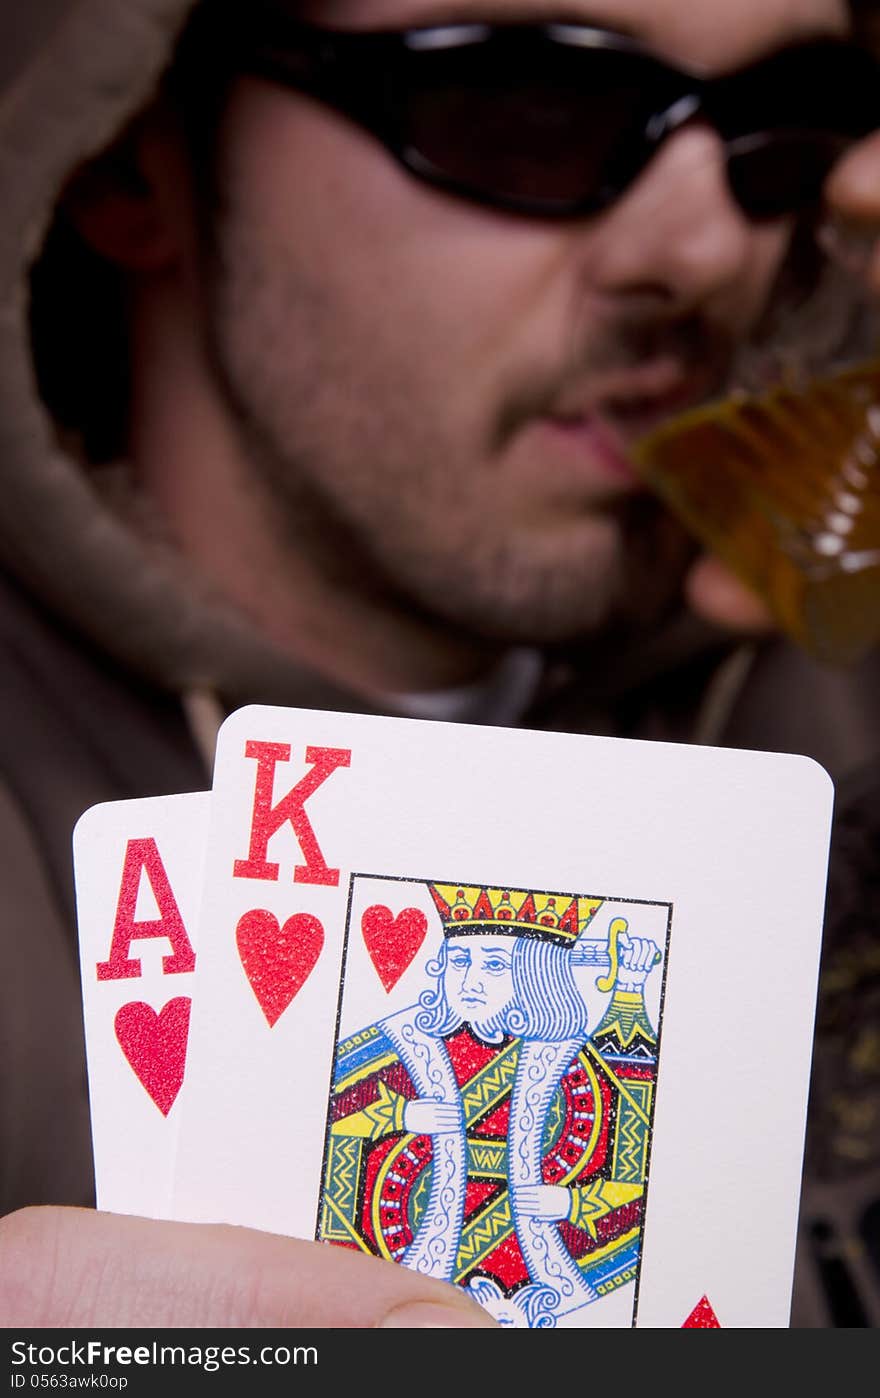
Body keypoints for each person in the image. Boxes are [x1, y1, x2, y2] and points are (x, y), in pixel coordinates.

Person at [2, 0, 880, 1328]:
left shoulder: (842, 664)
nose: (707, 248)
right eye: (534, 107)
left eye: (780, 127)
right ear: (131, 160)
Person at [320, 884, 661, 1328]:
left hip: (547, 1284)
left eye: (495, 964)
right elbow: (320, 1127)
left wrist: (571, 1204)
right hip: (409, 1281)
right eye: (461, 961)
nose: (471, 980)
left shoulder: (569, 1060)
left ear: (536, 974)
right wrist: (399, 1116)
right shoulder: (402, 1044)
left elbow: (640, 1175)